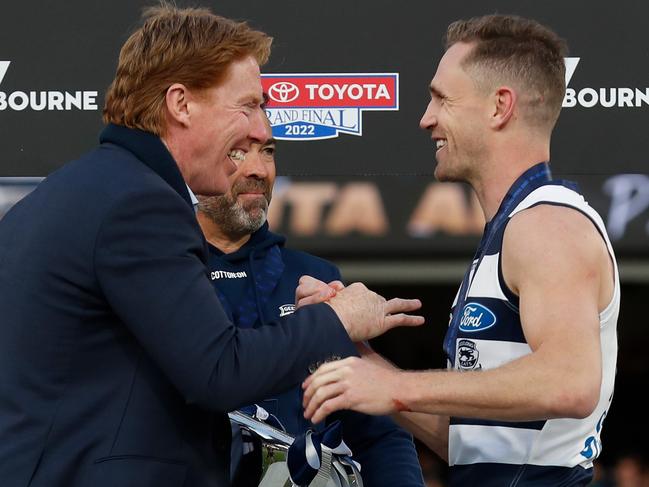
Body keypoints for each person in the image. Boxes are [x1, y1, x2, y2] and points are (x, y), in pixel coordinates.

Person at [0, 5, 423, 486]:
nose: (262, 129)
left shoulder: (64, 196)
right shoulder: (138, 202)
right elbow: (220, 372)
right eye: (247, 106)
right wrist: (340, 318)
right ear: (181, 104)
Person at [301, 14, 619, 486]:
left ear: (499, 107)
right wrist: (358, 357)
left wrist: (398, 386)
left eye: (441, 98)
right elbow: (467, 444)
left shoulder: (546, 225)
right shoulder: (513, 228)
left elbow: (571, 383)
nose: (425, 118)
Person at [195, 126, 425, 486]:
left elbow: (377, 432)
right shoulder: (164, 278)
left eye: (268, 151)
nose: (259, 169)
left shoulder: (315, 277)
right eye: (238, 153)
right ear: (193, 163)